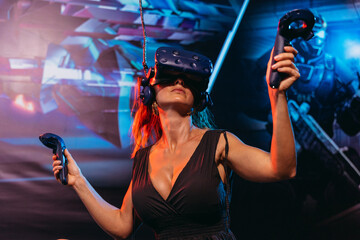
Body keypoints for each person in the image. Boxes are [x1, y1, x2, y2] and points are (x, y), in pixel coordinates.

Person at [51, 45, 299, 240]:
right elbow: (122, 227)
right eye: (170, 77)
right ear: (150, 94)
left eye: (189, 80)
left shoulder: (219, 143)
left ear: (199, 99)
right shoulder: (142, 160)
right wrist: (78, 181)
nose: (179, 81)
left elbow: (282, 168)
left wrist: (277, 96)